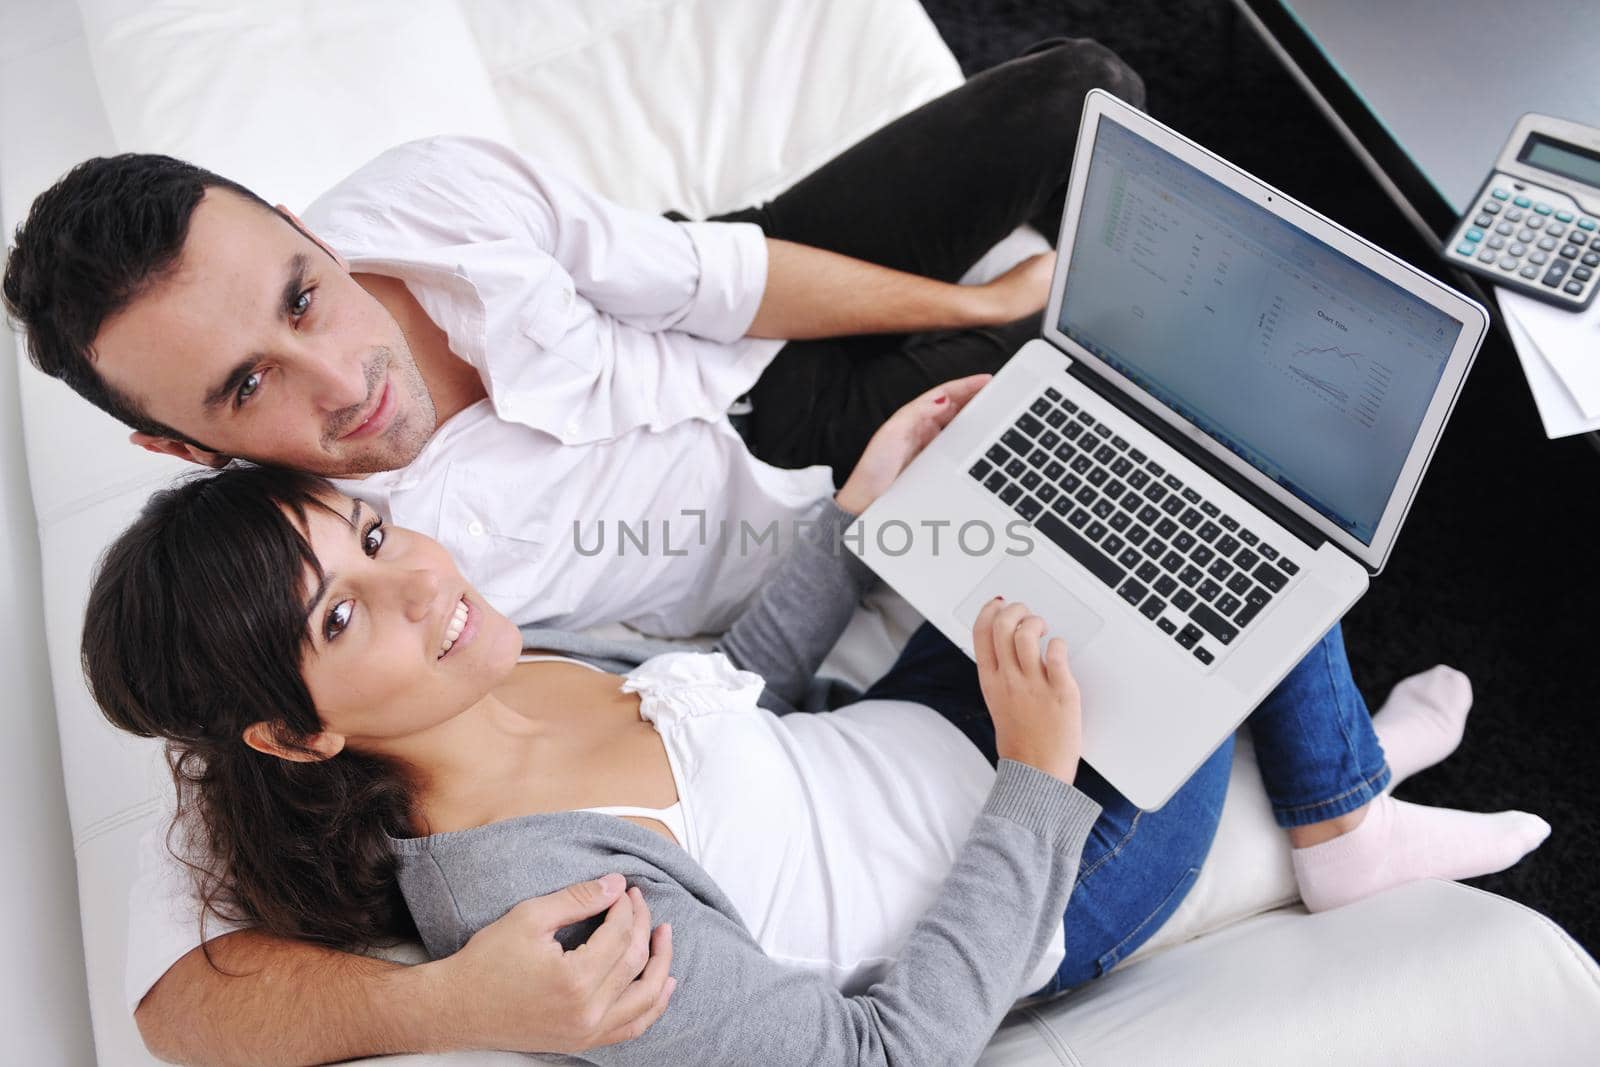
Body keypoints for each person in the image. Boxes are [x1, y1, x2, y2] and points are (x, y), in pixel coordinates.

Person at [4, 39, 1143, 1062]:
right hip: (804, 477)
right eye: (248, 385)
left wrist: (966, 302)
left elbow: (706, 277)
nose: (343, 379)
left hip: (729, 350)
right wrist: (455, 1003)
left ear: (310, 231)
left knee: (1081, 98)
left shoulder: (424, 203)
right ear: (179, 443)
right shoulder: (274, 580)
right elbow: (178, 1002)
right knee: (1146, 383)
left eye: (305, 297)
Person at [83, 380, 1549, 1065]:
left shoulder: (500, 656)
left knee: (1139, 462)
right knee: (1255, 543)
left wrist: (856, 513)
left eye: (376, 533)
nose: (419, 585)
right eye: (340, 619)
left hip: (914, 729)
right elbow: (877, 1054)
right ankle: (1344, 823)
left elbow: (728, 693)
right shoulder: (546, 902)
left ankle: (1338, 769)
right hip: (1043, 874)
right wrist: (1036, 776)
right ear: (291, 735)